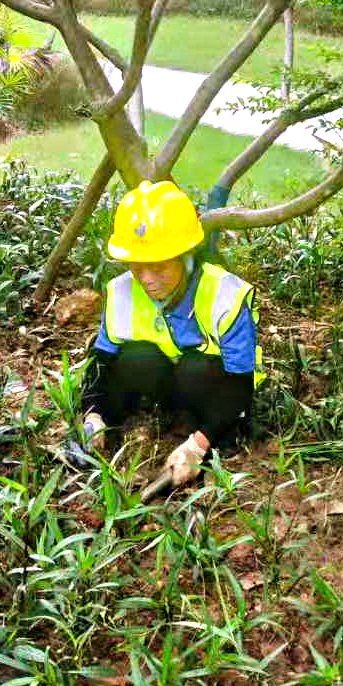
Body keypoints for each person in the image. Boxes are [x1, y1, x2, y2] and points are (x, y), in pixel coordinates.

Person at [66, 180, 260, 486]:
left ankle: (211, 437)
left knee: (195, 368)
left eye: (159, 267)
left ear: (185, 256)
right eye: (137, 265)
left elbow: (240, 384)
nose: (146, 279)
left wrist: (198, 445)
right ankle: (158, 418)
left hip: (220, 392)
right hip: (166, 386)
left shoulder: (225, 296)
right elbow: (101, 363)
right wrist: (94, 416)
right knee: (134, 358)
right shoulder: (122, 292)